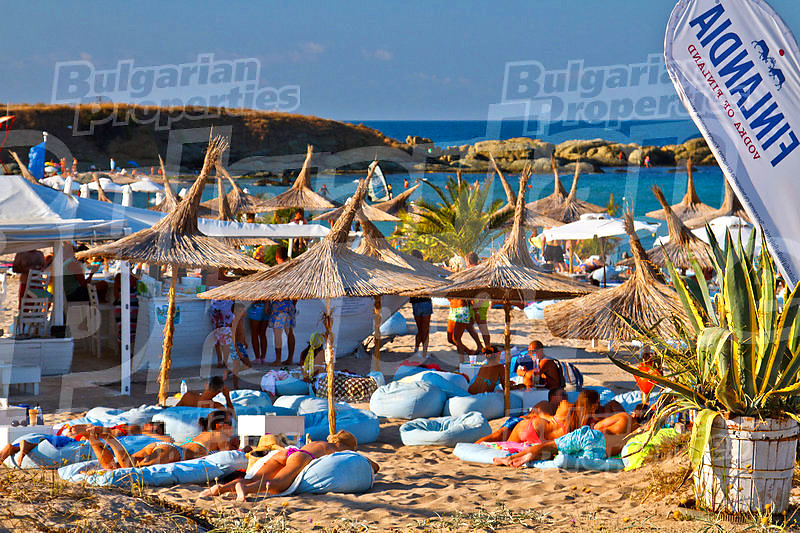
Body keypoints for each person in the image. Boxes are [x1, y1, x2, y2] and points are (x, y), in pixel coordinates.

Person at [199, 430, 379, 501]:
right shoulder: (336, 449)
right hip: (301, 457)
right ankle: (245, 489)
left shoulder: (321, 442)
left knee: (256, 478)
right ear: (344, 445)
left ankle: (220, 489)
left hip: (286, 453)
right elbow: (375, 466)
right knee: (277, 484)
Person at [88, 412, 239, 470]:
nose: (232, 428)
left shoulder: (203, 435)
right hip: (175, 452)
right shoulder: (220, 436)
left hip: (165, 447)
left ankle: (93, 441)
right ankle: (111, 440)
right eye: (230, 424)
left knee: (115, 466)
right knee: (132, 470)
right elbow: (230, 458)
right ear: (219, 426)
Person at [269, 247, 296, 366]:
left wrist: (267, 304)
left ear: (277, 257)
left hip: (278, 305)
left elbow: (270, 289)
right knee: (290, 332)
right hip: (289, 304)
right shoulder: (292, 270)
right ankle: (290, 359)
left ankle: (278, 359)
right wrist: (294, 304)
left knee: (278, 332)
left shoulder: (276, 271)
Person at [408, 250, 433, 359]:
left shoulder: (410, 270)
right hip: (426, 301)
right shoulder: (425, 269)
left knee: (420, 329)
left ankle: (417, 349)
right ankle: (424, 352)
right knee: (425, 329)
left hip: (416, 302)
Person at [465, 252, 491, 348]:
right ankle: (480, 346)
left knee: (482, 326)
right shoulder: (483, 270)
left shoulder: (472, 271)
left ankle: (487, 347)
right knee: (469, 324)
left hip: (478, 302)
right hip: (482, 301)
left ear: (468, 261)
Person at [226, 302, 253, 388]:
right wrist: (237, 350)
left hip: (240, 345)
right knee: (237, 366)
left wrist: (244, 341)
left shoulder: (240, 320)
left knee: (248, 365)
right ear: (237, 312)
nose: (244, 313)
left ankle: (229, 371)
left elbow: (241, 333)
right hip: (235, 346)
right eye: (243, 311)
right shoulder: (234, 322)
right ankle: (235, 386)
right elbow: (233, 337)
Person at [209, 298, 235, 369]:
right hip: (226, 325)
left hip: (217, 325)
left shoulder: (214, 302)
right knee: (226, 344)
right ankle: (225, 361)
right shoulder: (229, 302)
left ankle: (220, 361)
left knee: (218, 344)